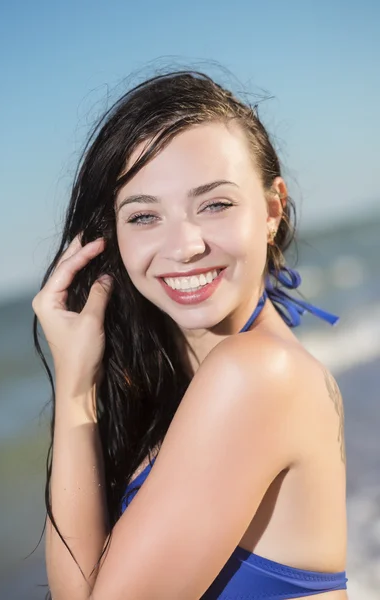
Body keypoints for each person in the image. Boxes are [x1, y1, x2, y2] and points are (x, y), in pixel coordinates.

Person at [32, 70, 348, 599]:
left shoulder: (256, 374)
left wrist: (74, 391)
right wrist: (76, 384)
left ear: (272, 208)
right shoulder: (192, 383)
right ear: (111, 238)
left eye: (215, 204)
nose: (184, 246)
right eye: (144, 216)